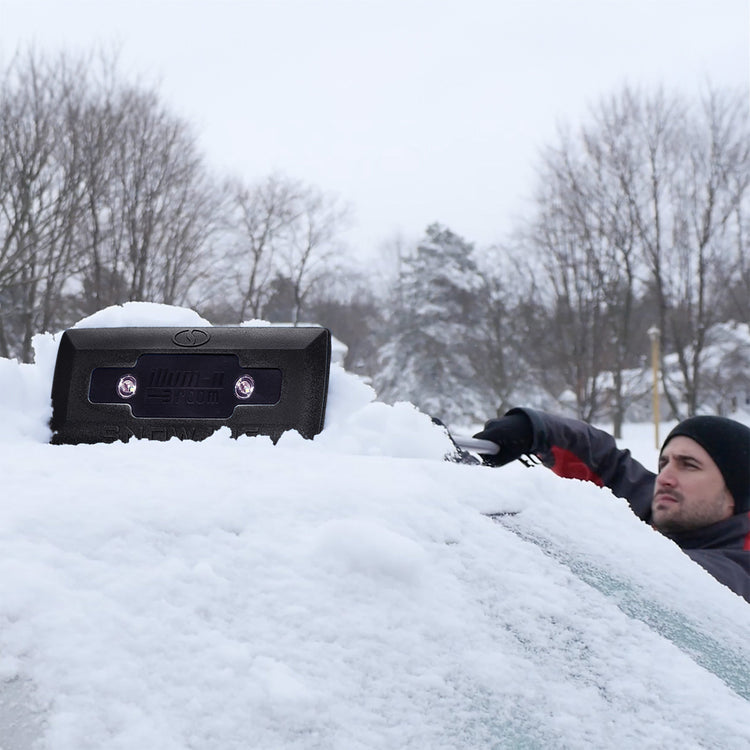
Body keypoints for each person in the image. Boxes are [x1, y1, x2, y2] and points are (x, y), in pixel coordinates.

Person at [472, 408, 750, 603]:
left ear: (735, 491)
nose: (664, 478)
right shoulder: (672, 513)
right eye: (663, 463)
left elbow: (657, 570)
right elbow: (609, 464)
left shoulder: (736, 573)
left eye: (688, 465)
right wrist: (534, 430)